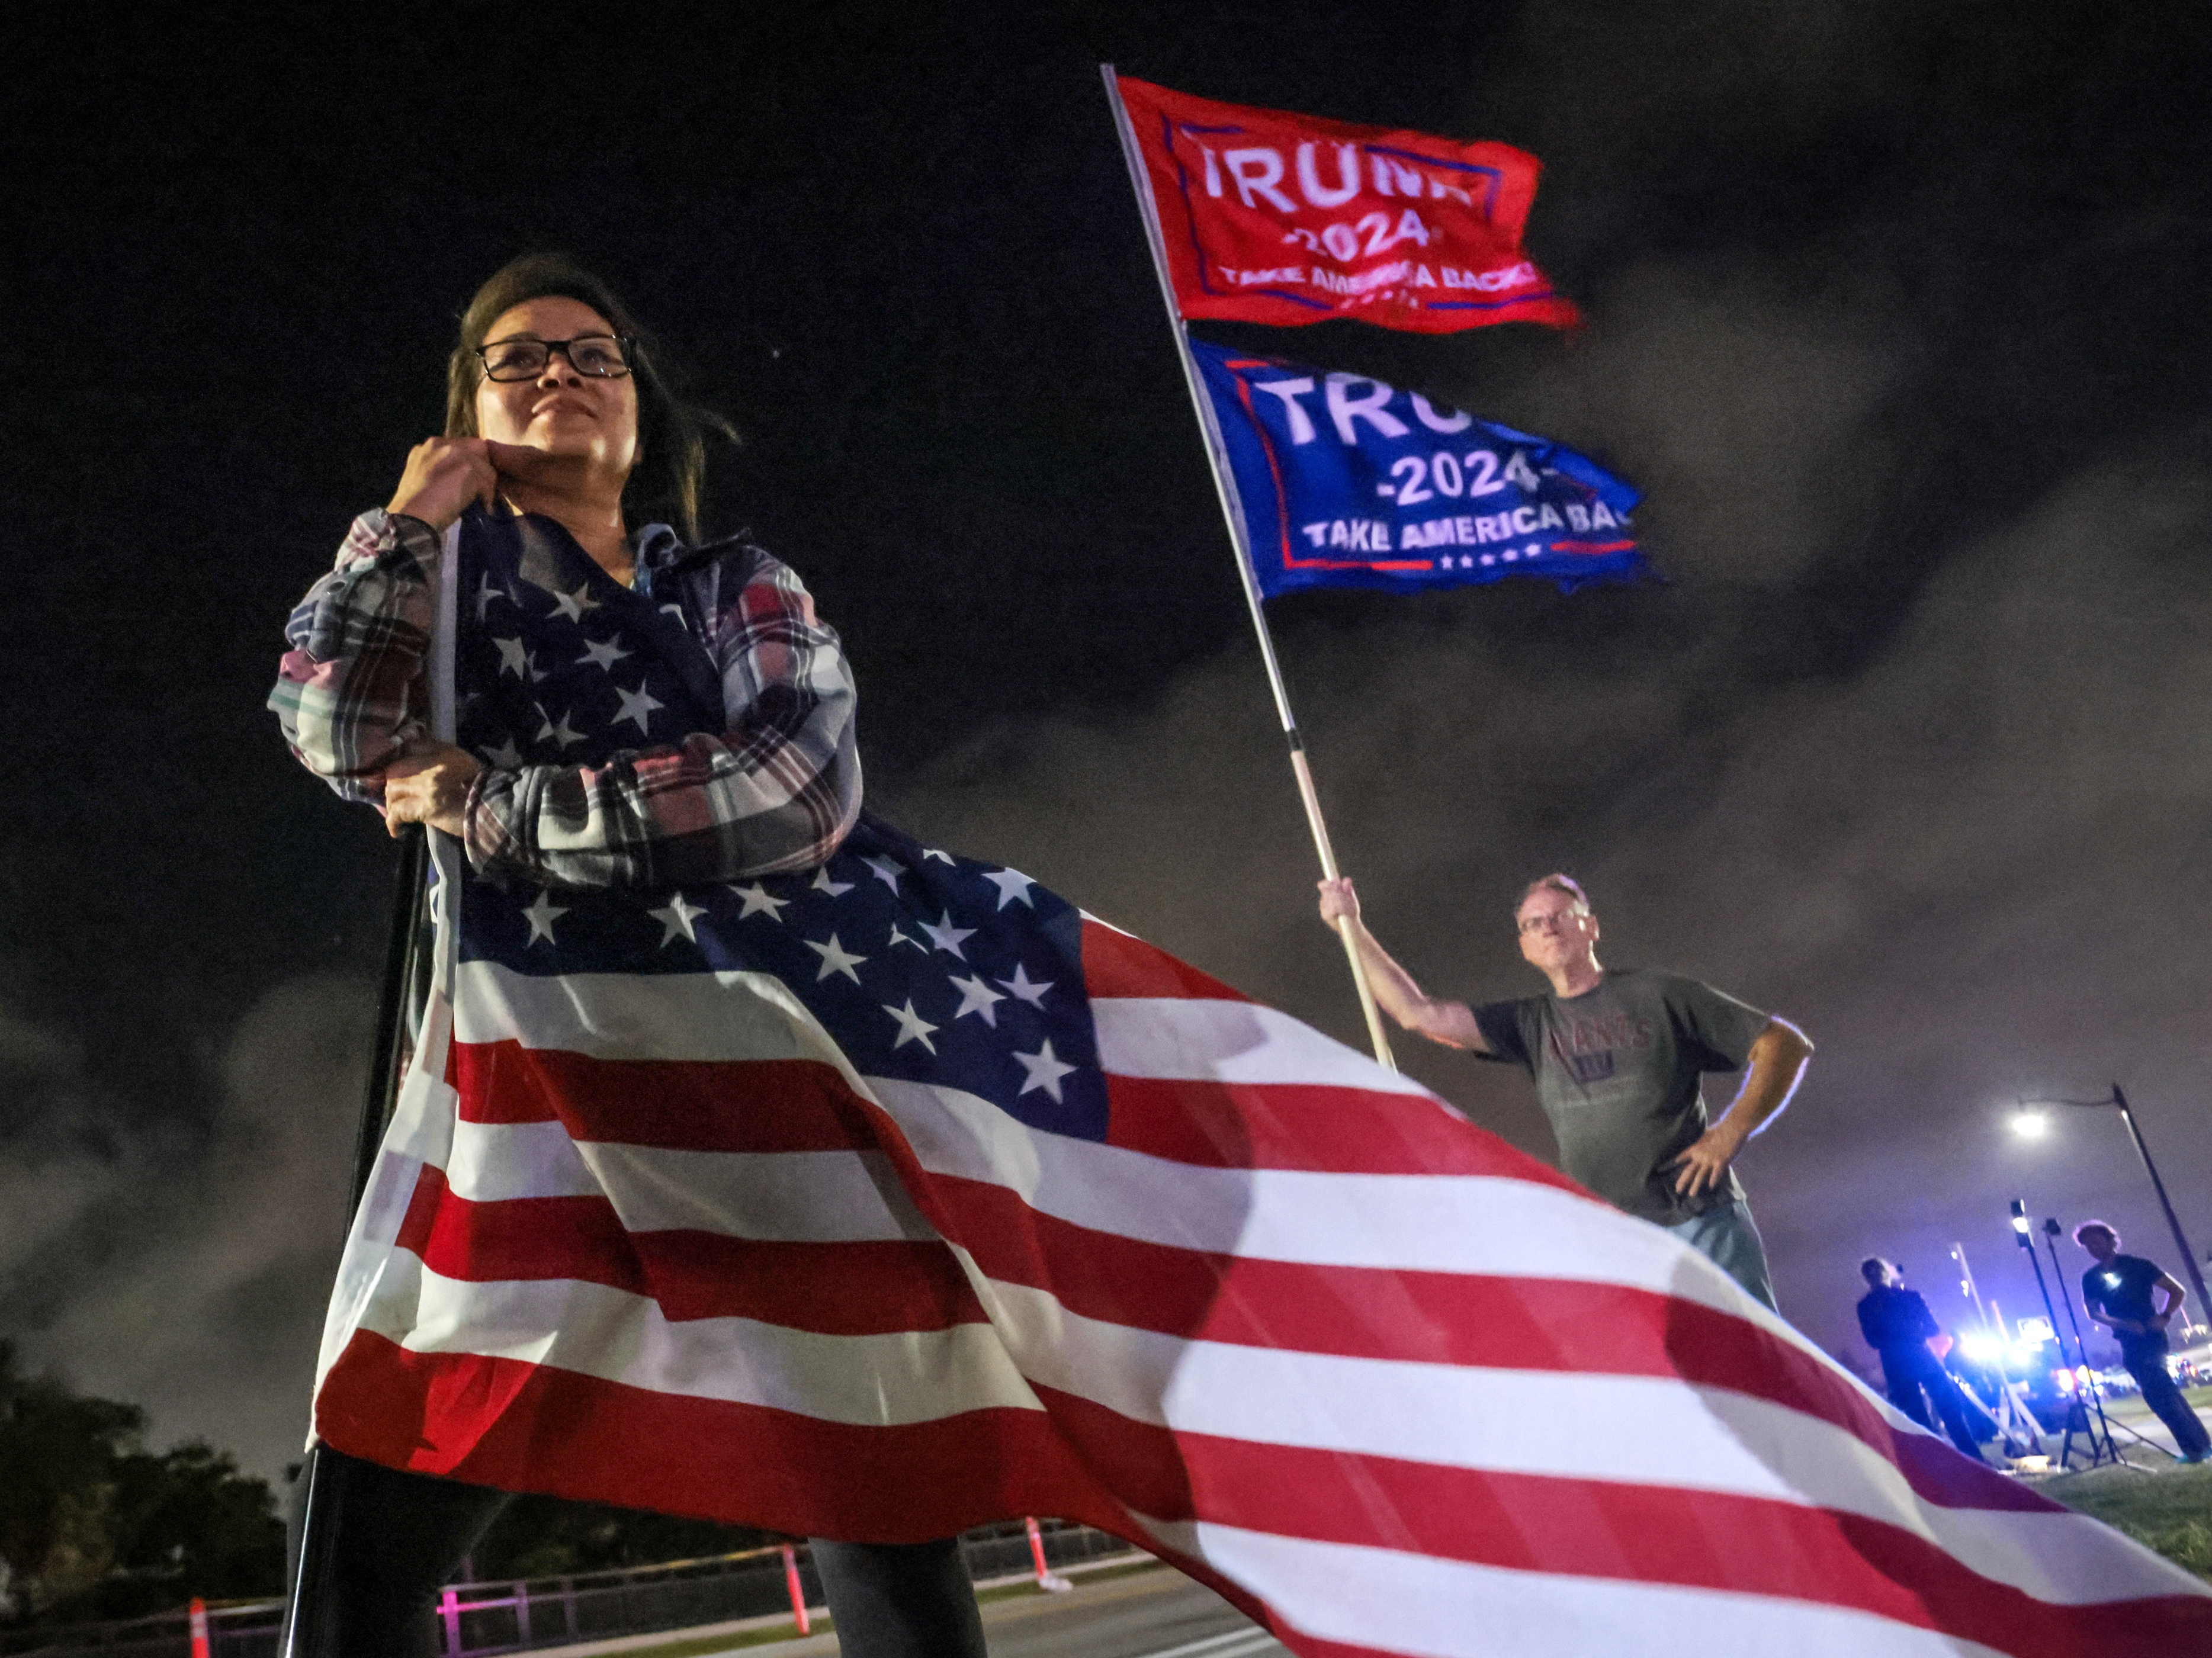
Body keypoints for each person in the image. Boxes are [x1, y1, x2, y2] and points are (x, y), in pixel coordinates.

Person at [271, 255, 984, 1658]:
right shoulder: (440, 595)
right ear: (466, 412)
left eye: (592, 357)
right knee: (357, 1540)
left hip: (752, 1083)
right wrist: (409, 519)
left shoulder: (733, 585)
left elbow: (792, 793)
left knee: (876, 1511)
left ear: (640, 415)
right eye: (516, 359)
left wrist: (493, 801)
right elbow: (335, 730)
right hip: (528, 1099)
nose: (558, 375)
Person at [1317, 872, 1810, 1309]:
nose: (1547, 927)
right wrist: (1350, 928)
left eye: (1559, 915)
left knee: (1758, 1376)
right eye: (1533, 923)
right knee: (1650, 1389)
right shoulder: (1530, 1023)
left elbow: (1782, 1045)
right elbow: (1417, 1014)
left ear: (1590, 926)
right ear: (1524, 946)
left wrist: (1732, 1131)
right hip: (1611, 1238)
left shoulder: (1657, 994)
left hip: (1700, 1222)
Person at [2074, 1220, 2212, 1463]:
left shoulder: (2138, 1266)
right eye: (2088, 1245)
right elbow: (2094, 1312)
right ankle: (2199, 1445)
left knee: (2160, 1392)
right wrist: (2121, 1324)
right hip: (2127, 1339)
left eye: (2097, 1241)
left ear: (2109, 1240)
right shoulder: (2091, 1278)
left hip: (2151, 1336)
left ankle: (2196, 1449)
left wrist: (2165, 1316)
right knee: (2162, 1393)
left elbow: (2177, 1291)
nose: (2093, 1248)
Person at [1854, 1259, 1988, 1461]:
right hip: (1920, 1355)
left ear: (1866, 1279)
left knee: (1916, 1416)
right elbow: (1933, 1329)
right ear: (1886, 1273)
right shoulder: (1910, 1297)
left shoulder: (1865, 1306)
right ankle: (1972, 1457)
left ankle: (1936, 1463)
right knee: (1949, 1408)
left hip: (1894, 1362)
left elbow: (1873, 1342)